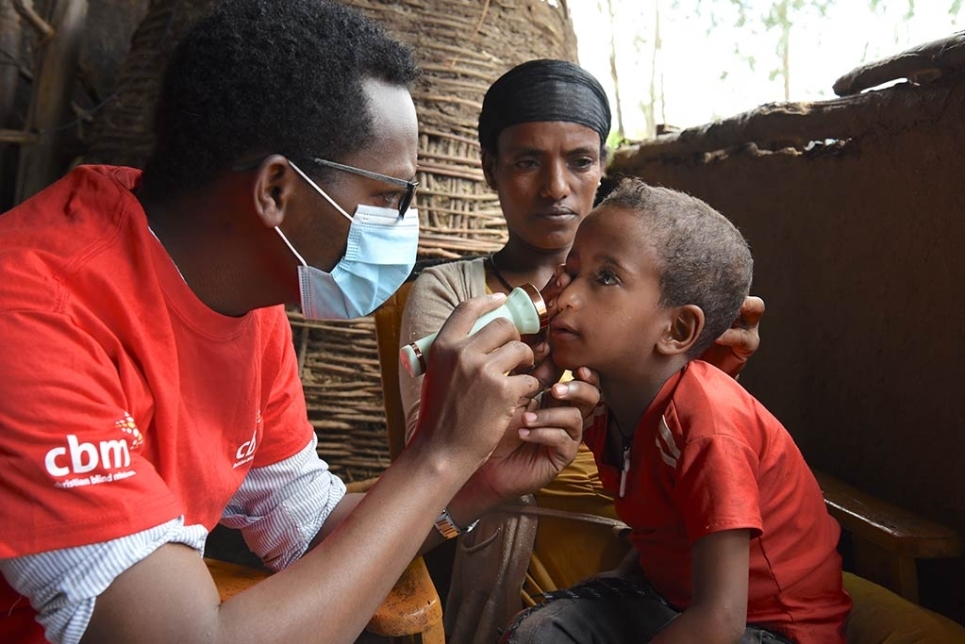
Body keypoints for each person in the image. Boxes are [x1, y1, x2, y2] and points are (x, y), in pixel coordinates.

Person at [0, 3, 601, 643]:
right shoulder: (35, 321)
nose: (404, 227)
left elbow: (307, 528)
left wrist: (473, 480)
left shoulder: (248, 296)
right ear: (277, 191)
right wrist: (437, 454)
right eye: (388, 198)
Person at [398, 59, 766, 643]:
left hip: (654, 568)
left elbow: (702, 458)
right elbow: (435, 455)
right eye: (525, 161)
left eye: (580, 161)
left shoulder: (668, 299)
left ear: (603, 169)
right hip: (511, 561)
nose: (556, 187)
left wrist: (702, 372)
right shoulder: (452, 295)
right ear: (490, 168)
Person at [501, 178, 852, 644]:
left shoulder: (708, 424)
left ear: (678, 328)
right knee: (539, 633)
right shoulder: (601, 405)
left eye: (605, 278)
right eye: (572, 269)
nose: (565, 296)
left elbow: (721, 620)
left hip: (771, 629)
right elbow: (663, 533)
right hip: (672, 600)